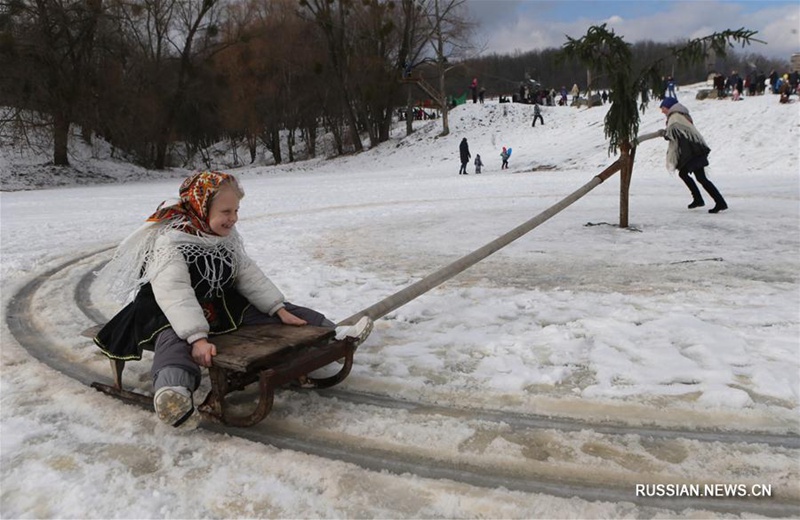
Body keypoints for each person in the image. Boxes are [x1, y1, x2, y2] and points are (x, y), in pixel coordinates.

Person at [93, 171, 373, 428]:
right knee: (173, 341)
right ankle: (173, 392)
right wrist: (197, 337)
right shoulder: (171, 243)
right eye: (226, 211)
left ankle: (335, 334)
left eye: (236, 210)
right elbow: (175, 293)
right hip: (167, 311)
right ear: (202, 208)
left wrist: (277, 308)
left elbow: (249, 276)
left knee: (287, 312)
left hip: (217, 305)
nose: (233, 218)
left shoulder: (223, 237)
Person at [659, 98, 727, 213]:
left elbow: (675, 133)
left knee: (700, 178)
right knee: (686, 174)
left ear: (669, 107)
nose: (662, 111)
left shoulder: (675, 117)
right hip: (692, 151)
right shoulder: (680, 115)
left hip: (693, 152)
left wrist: (666, 134)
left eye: (663, 108)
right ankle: (700, 199)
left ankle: (718, 202)